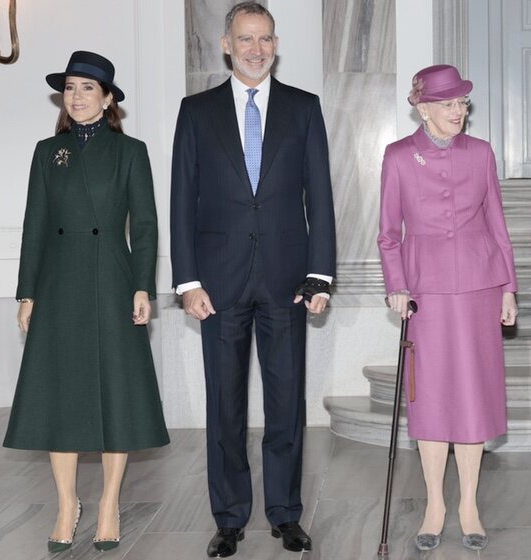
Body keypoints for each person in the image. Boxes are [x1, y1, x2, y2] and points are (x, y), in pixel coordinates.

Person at [169, 2, 336, 557]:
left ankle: (286, 514)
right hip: (218, 286)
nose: (256, 48)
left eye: (265, 38)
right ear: (226, 44)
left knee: (287, 403)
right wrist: (186, 280)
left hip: (288, 281)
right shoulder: (195, 112)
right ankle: (230, 517)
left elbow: (321, 197)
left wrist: (319, 275)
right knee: (225, 407)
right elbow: (181, 204)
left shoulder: (304, 108)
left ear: (275, 43)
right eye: (246, 39)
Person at [4, 50, 169, 554]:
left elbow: (143, 226)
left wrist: (143, 286)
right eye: (70, 88)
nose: (76, 97)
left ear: (109, 98)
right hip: (57, 284)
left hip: (111, 280)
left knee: (116, 393)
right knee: (62, 397)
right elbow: (34, 226)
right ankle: (65, 504)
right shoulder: (45, 152)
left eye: (87, 88)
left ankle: (108, 504)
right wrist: (27, 292)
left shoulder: (131, 152)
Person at [378, 64, 518, 552]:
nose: (459, 111)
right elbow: (387, 232)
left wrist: (508, 287)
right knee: (432, 396)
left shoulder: (480, 153)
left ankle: (470, 504)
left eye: (462, 103)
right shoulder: (397, 156)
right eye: (448, 104)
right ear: (423, 108)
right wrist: (396, 285)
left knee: (474, 394)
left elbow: (498, 223)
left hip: (480, 288)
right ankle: (436, 502)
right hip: (426, 292)